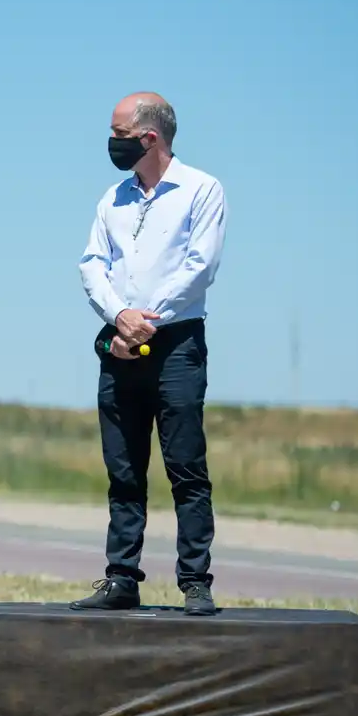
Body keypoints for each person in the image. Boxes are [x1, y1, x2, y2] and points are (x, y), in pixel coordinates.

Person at [73, 91, 227, 616]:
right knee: (124, 469)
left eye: (119, 134)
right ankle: (121, 578)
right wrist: (120, 317)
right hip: (119, 343)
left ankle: (195, 582)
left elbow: (199, 266)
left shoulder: (201, 190)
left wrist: (145, 317)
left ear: (149, 137)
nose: (111, 144)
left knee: (185, 466)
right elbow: (92, 264)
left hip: (176, 343)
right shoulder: (111, 198)